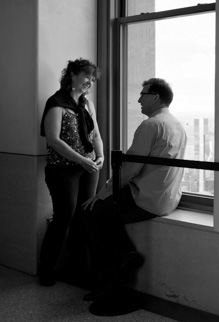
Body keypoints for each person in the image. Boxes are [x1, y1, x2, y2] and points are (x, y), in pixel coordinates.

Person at [82, 78, 187, 302]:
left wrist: (102, 193)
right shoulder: (177, 124)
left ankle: (110, 276)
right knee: (107, 215)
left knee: (90, 213)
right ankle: (125, 257)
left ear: (156, 97)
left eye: (143, 94)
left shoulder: (150, 125)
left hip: (145, 199)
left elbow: (129, 170)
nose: (139, 99)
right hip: (167, 199)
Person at [39, 58, 103, 287]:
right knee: (63, 218)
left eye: (93, 79)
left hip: (88, 168)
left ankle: (78, 270)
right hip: (63, 170)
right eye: (87, 77)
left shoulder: (87, 104)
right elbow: (54, 140)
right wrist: (82, 161)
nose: (90, 82)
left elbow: (95, 134)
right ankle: (46, 271)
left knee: (82, 218)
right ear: (73, 75)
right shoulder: (56, 103)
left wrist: (101, 156)